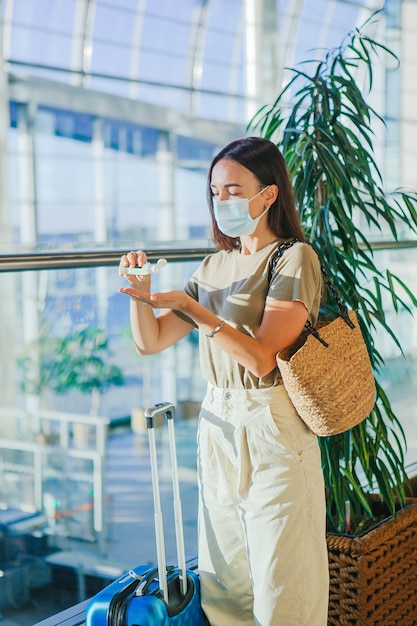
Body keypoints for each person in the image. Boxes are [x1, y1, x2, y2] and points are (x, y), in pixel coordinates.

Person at [119, 136, 329, 626]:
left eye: (234, 190)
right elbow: (150, 342)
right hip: (217, 423)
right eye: (215, 192)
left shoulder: (293, 258)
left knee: (284, 584)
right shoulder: (215, 265)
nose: (222, 201)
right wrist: (139, 293)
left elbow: (262, 359)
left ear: (269, 195)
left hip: (270, 422)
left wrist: (194, 308)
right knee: (224, 582)